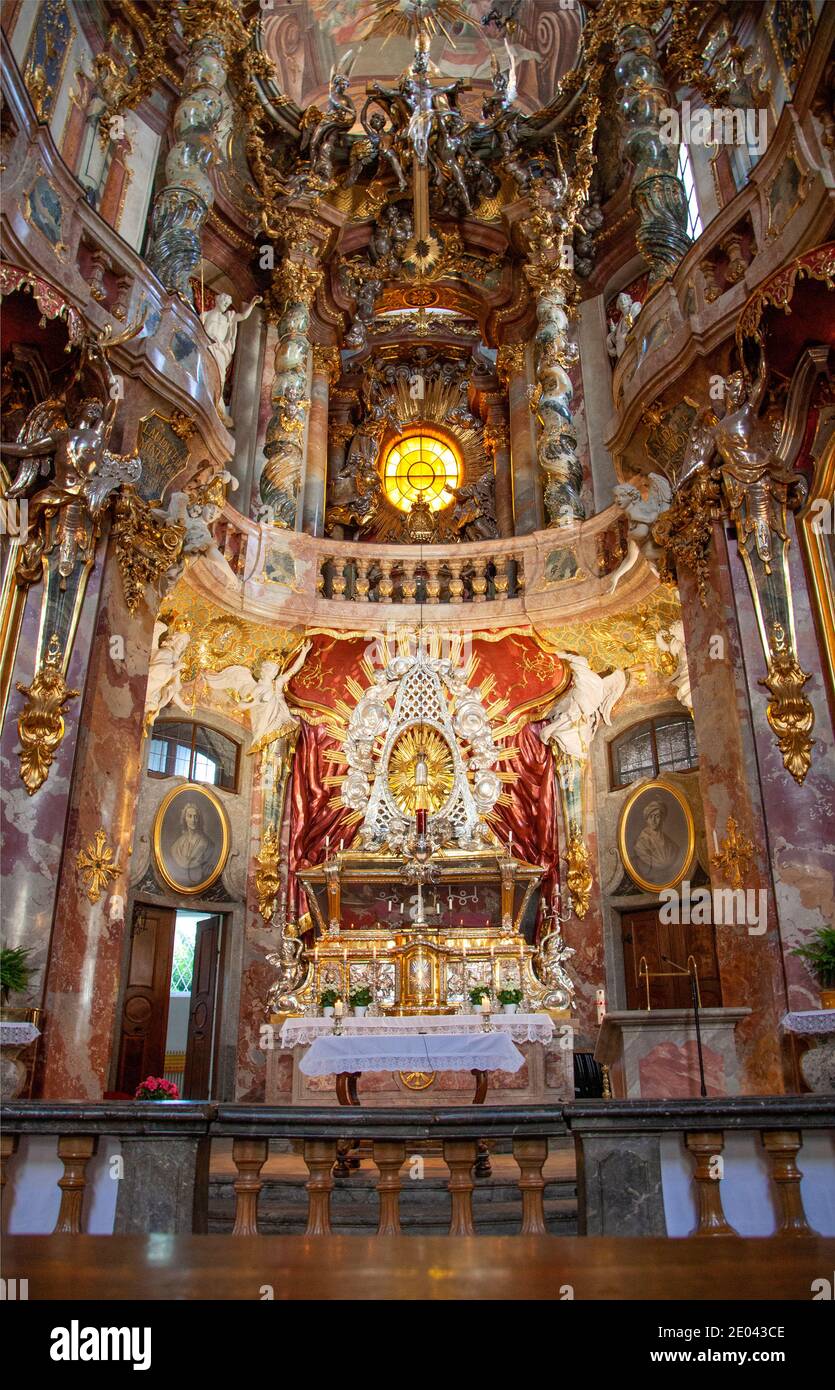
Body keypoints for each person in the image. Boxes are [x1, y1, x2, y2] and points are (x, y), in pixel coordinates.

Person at [170, 801, 216, 885]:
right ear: (185, 819)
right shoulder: (177, 844)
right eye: (190, 816)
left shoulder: (207, 843)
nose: (193, 820)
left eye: (196, 817)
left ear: (199, 819)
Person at [633, 800, 680, 878]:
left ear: (663, 819)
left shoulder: (673, 846)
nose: (653, 820)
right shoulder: (640, 845)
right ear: (647, 819)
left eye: (657, 816)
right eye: (651, 816)